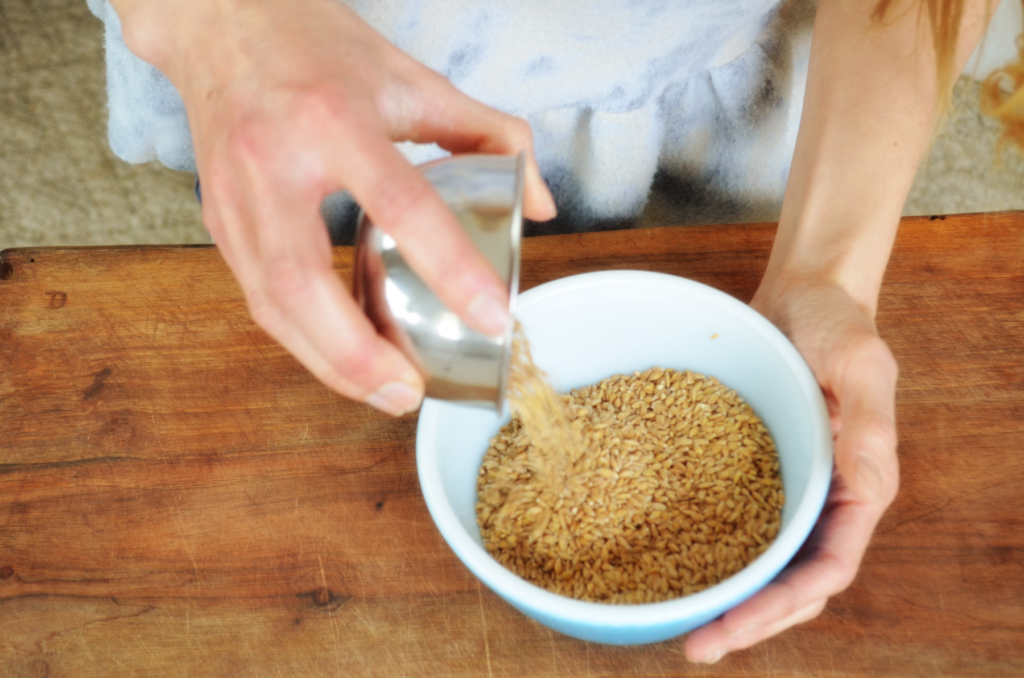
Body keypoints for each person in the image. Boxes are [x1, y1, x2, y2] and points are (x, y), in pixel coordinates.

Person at [86, 0, 1006, 663]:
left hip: (720, 70)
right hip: (321, 73)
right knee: (335, 267)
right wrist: (215, 27)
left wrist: (825, 270)